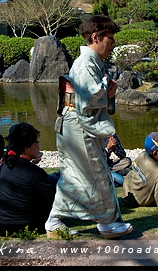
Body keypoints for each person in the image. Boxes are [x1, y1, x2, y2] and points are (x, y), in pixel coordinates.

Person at [45, 15, 132, 240]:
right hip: (78, 124)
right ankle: (106, 222)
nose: (112, 43)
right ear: (96, 37)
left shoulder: (93, 61)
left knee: (77, 175)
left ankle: (56, 221)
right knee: (97, 172)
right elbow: (90, 96)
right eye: (109, 38)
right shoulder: (85, 63)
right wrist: (108, 88)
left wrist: (106, 88)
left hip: (77, 123)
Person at [0, 123, 56, 235]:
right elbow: (53, 198)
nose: (38, 144)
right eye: (36, 142)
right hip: (21, 226)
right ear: (27, 149)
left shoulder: (6, 165)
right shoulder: (33, 172)